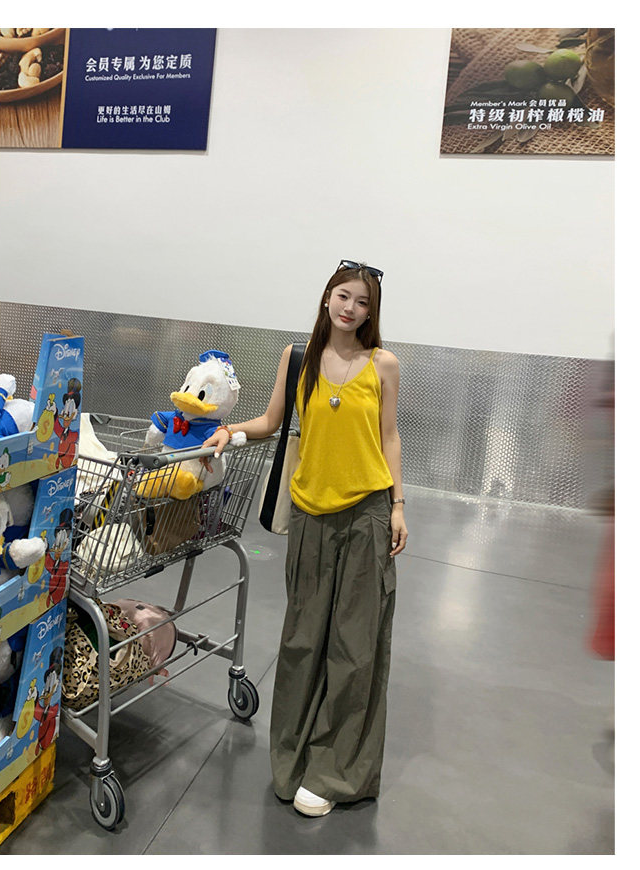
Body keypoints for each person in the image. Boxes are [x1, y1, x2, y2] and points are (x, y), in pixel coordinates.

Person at [203, 260, 408, 817]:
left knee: (354, 646)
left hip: (366, 514)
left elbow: (389, 436)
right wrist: (231, 430)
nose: (351, 309)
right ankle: (294, 758)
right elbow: (272, 421)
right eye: (343, 296)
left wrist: (397, 505)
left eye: (363, 302)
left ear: (372, 311)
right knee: (301, 642)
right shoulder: (298, 359)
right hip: (311, 515)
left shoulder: (383, 364)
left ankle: (335, 771)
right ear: (326, 298)